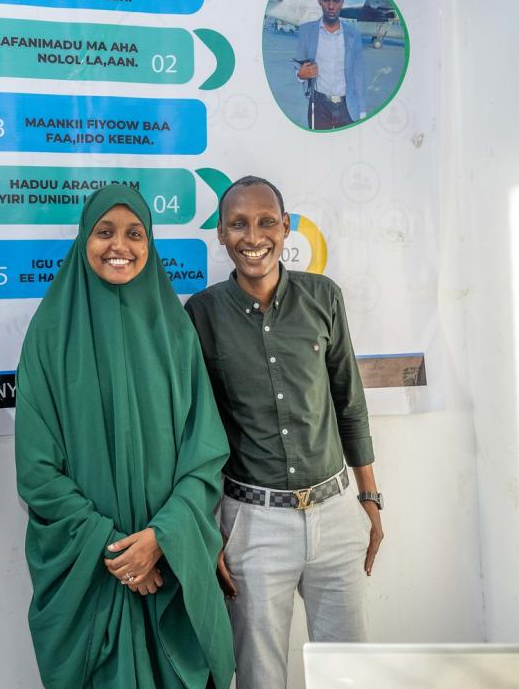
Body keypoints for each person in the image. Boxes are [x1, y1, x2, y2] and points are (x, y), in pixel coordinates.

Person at [15, 185, 235, 688]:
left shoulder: (176, 333)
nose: (121, 245)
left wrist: (162, 538)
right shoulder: (50, 336)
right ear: (83, 240)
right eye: (105, 232)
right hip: (89, 574)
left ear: (150, 241)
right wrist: (118, 552)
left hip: (170, 568)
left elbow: (204, 454)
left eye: (135, 233)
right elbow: (37, 470)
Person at [184, 176, 385, 689]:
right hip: (253, 525)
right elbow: (198, 436)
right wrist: (210, 534)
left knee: (350, 675)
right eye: (239, 224)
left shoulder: (324, 297)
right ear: (222, 236)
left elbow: (350, 403)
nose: (255, 236)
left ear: (286, 227)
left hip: (336, 514)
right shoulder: (201, 314)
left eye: (267, 221)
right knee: (259, 677)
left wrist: (370, 497)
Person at [293, 0, 366, 130]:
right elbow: (298, 65)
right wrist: (300, 75)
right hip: (319, 106)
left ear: (342, 2)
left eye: (336, 0)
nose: (331, 6)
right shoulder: (306, 31)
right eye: (326, 0)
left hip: (348, 106)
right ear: (319, 0)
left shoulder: (353, 34)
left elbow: (359, 74)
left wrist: (362, 110)